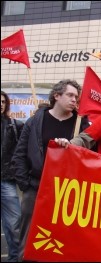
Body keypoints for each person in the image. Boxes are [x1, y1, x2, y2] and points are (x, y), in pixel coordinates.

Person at [12, 79, 90, 261]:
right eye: (70, 95)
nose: (74, 100)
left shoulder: (81, 124)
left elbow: (89, 155)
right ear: (56, 95)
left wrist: (73, 147)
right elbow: (20, 154)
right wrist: (26, 185)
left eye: (76, 97)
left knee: (60, 239)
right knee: (30, 236)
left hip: (67, 191)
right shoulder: (35, 121)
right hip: (36, 188)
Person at [1, 91, 24, 262]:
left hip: (5, 180)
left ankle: (14, 259)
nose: (1, 104)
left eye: (3, 101)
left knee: (14, 225)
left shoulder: (13, 125)